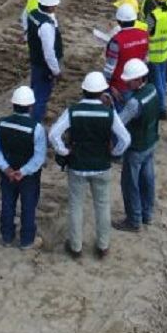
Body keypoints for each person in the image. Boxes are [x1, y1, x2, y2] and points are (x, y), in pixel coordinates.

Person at [49, 71, 130, 260]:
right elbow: (125, 139)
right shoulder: (109, 113)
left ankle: (76, 246)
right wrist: (114, 153)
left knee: (76, 205)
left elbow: (53, 134)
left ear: (84, 90)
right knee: (102, 205)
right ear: (102, 91)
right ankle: (103, 245)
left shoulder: (73, 111)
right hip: (101, 165)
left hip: (77, 165)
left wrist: (63, 151)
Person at [0, 85, 48, 249]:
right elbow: (39, 156)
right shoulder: (36, 128)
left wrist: (6, 168)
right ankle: (27, 240)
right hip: (28, 176)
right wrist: (23, 171)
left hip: (7, 172)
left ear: (13, 104)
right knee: (28, 205)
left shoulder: (0, 123)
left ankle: (7, 236)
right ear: (30, 106)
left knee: (7, 202)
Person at [113, 60, 159, 231]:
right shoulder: (152, 89)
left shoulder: (134, 103)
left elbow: (119, 122)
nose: (126, 82)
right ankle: (147, 214)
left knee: (130, 184)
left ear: (140, 79)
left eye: (130, 80)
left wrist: (110, 109)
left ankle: (134, 220)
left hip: (136, 147)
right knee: (148, 179)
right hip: (151, 141)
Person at [24, 0, 63, 123]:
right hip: (44, 65)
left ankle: (35, 113)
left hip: (36, 59)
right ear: (52, 6)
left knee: (35, 89)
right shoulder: (46, 25)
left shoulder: (33, 13)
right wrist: (56, 71)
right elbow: (49, 52)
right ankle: (35, 122)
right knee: (41, 96)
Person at [101, 2, 148, 101]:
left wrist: (106, 87)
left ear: (119, 21)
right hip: (139, 83)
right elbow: (144, 60)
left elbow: (109, 68)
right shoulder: (144, 35)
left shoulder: (116, 41)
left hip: (120, 86)